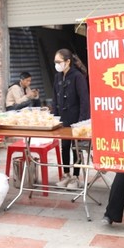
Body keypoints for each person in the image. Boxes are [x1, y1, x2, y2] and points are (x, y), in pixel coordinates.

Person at [51, 48, 90, 190]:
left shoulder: (77, 77)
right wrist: (55, 118)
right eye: (55, 62)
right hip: (63, 119)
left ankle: (76, 177)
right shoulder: (57, 77)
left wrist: (81, 123)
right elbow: (55, 98)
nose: (56, 64)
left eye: (59, 61)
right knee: (65, 147)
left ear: (68, 62)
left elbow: (84, 101)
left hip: (76, 119)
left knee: (76, 148)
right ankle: (66, 175)